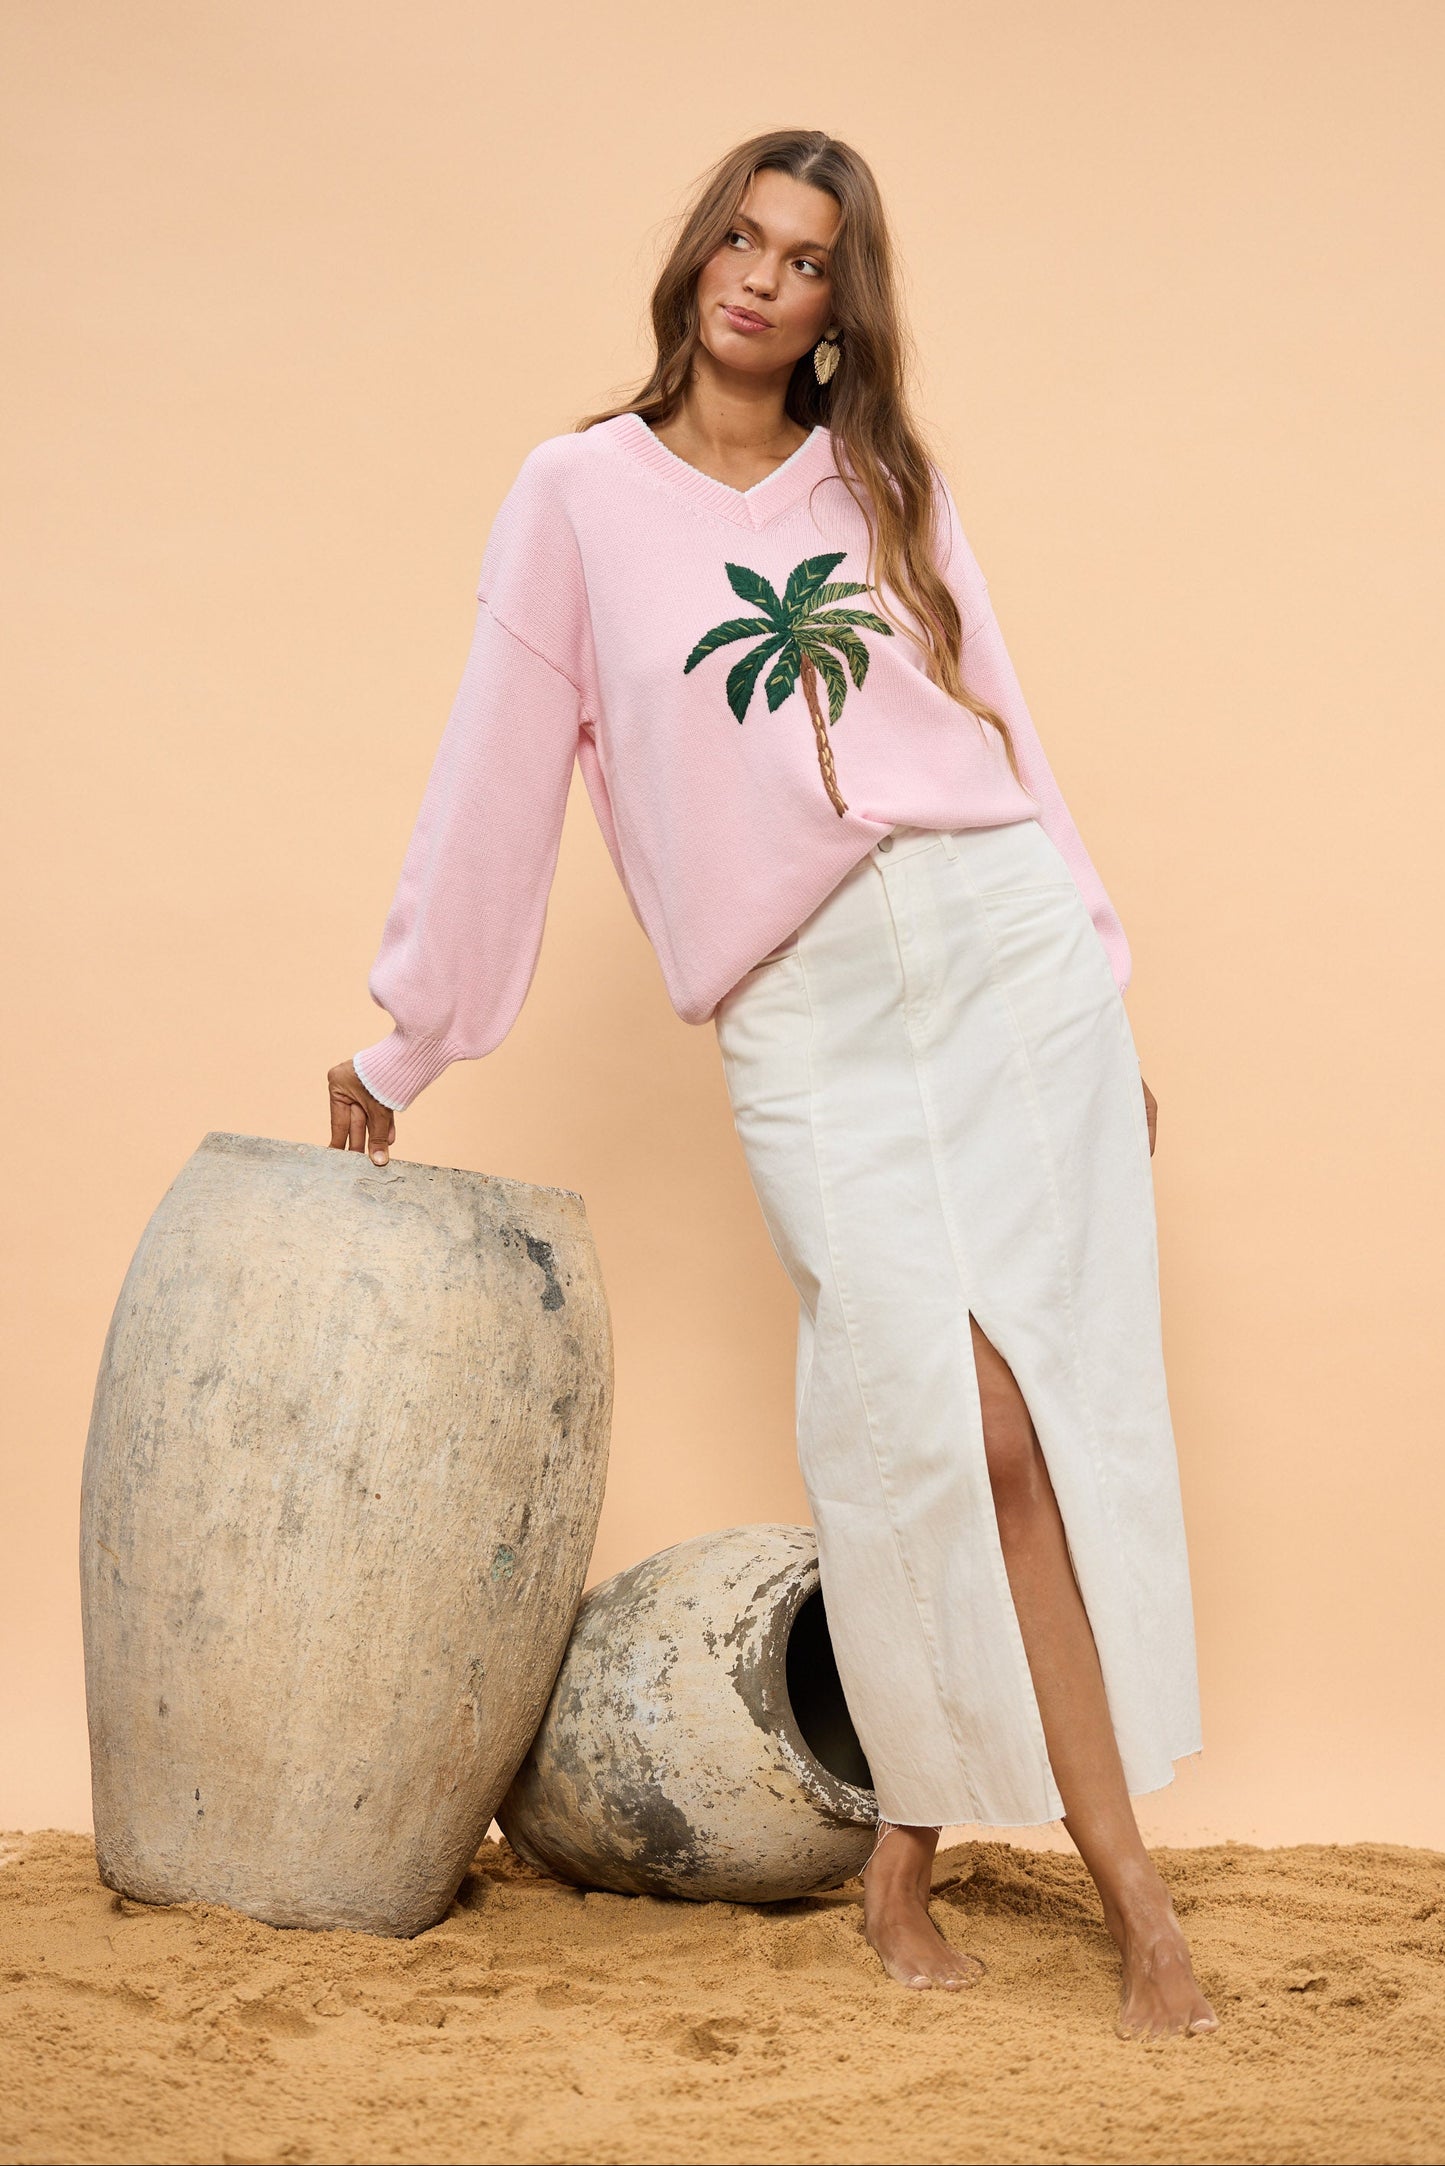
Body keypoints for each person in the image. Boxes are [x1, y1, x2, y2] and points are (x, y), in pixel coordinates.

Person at [327, 128, 1216, 2039]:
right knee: (921, 1429)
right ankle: (907, 1835)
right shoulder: (574, 497)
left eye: (804, 260)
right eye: (738, 236)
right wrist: (412, 1028)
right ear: (698, 261)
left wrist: (1103, 986)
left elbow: (1005, 722)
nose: (759, 276)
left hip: (990, 952)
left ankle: (1128, 1890)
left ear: (834, 313)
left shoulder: (879, 481)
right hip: (805, 1011)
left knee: (1042, 1426)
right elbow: (496, 772)